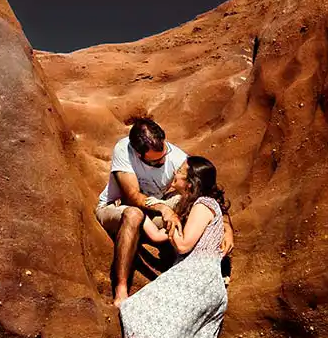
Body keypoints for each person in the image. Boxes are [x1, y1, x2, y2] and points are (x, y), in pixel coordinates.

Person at [114, 156, 231, 338]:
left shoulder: (204, 205)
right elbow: (157, 235)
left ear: (190, 183)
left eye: (179, 173)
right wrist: (140, 215)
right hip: (199, 281)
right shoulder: (191, 205)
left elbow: (181, 244)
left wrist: (174, 222)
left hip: (196, 279)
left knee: (138, 312)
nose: (174, 175)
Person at [95, 116, 230, 307]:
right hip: (117, 209)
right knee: (134, 213)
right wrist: (163, 209)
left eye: (165, 152)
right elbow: (132, 195)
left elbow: (209, 193)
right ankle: (121, 290)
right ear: (138, 153)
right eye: (157, 161)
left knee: (186, 211)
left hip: (150, 217)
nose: (165, 161)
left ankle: (204, 275)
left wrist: (227, 228)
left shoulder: (178, 160)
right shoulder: (124, 149)